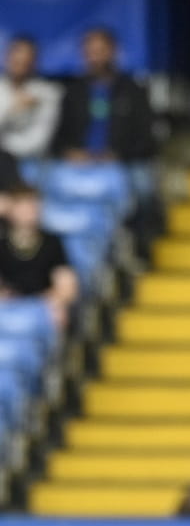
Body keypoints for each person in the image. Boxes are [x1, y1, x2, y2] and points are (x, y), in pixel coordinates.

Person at [51, 26, 157, 165]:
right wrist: (70, 153)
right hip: (79, 165)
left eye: (100, 51)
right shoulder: (73, 92)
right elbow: (58, 138)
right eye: (90, 52)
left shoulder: (133, 91)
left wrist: (118, 155)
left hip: (123, 165)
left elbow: (146, 140)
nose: (95, 58)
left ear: (113, 51)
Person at [0, 184, 80, 334]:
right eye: (23, 205)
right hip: (9, 309)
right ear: (11, 210)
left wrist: (44, 303)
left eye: (33, 204)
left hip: (42, 308)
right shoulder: (2, 246)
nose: (29, 210)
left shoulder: (52, 243)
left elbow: (67, 288)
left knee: (56, 313)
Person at [0, 34, 62, 159]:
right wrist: (11, 111)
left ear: (34, 63)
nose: (20, 66)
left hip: (28, 163)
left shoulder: (48, 93)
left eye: (26, 62)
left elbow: (38, 142)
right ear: (6, 58)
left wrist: (4, 148)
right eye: (16, 61)